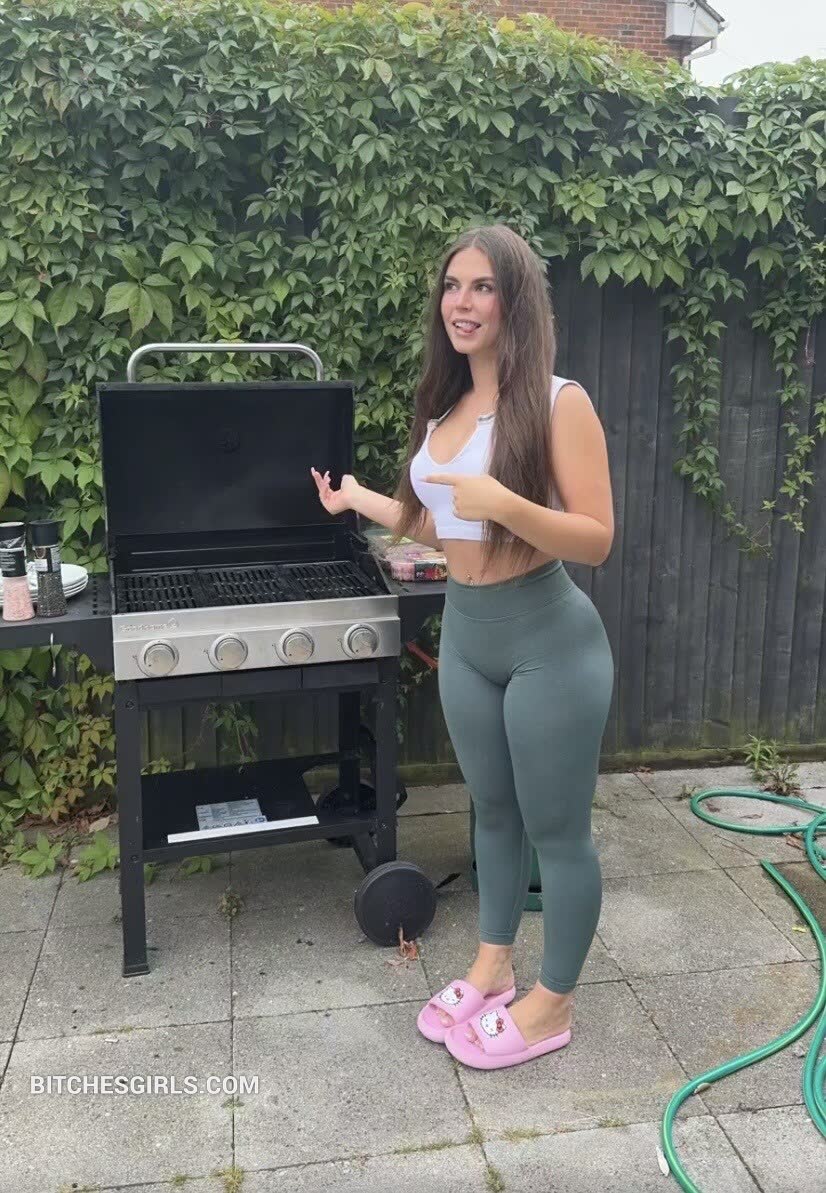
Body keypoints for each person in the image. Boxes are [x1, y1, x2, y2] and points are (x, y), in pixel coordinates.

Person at [311, 223, 615, 1070]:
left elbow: (596, 537)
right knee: (493, 810)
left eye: (483, 286)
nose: (462, 301)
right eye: (452, 285)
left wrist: (504, 501)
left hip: (550, 641)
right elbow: (435, 525)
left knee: (558, 831)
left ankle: (552, 1002)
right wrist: (355, 499)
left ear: (516, 300)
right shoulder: (443, 412)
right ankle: (494, 964)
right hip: (469, 635)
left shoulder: (559, 401)